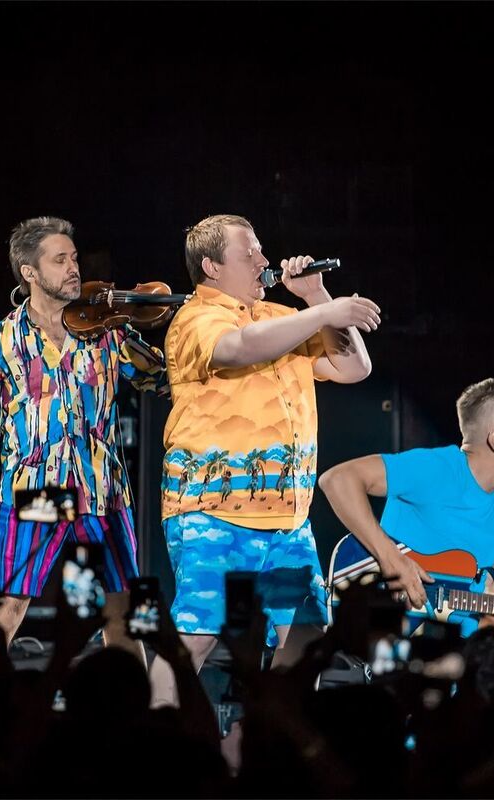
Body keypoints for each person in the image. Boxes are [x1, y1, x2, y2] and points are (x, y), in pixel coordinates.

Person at [150, 213, 381, 705]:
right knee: (196, 636)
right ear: (212, 267)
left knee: (307, 636)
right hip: (214, 513)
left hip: (287, 522)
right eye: (249, 252)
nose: (263, 260)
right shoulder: (196, 319)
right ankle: (156, 731)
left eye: (260, 250)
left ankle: (272, 735)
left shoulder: (280, 316)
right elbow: (237, 348)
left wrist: (317, 297)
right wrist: (321, 315)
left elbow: (354, 367)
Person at [0, 216, 166, 740]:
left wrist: (138, 329)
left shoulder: (104, 328)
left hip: (103, 489)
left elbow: (159, 378)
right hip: (38, 492)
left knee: (125, 612)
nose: (75, 268)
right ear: (29, 272)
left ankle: (135, 731)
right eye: (60, 260)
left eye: (74, 258)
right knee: (8, 609)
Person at [318, 377, 494, 638]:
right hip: (382, 637)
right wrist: (392, 559)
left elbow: (491, 593)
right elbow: (337, 480)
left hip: (449, 654)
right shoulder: (437, 469)